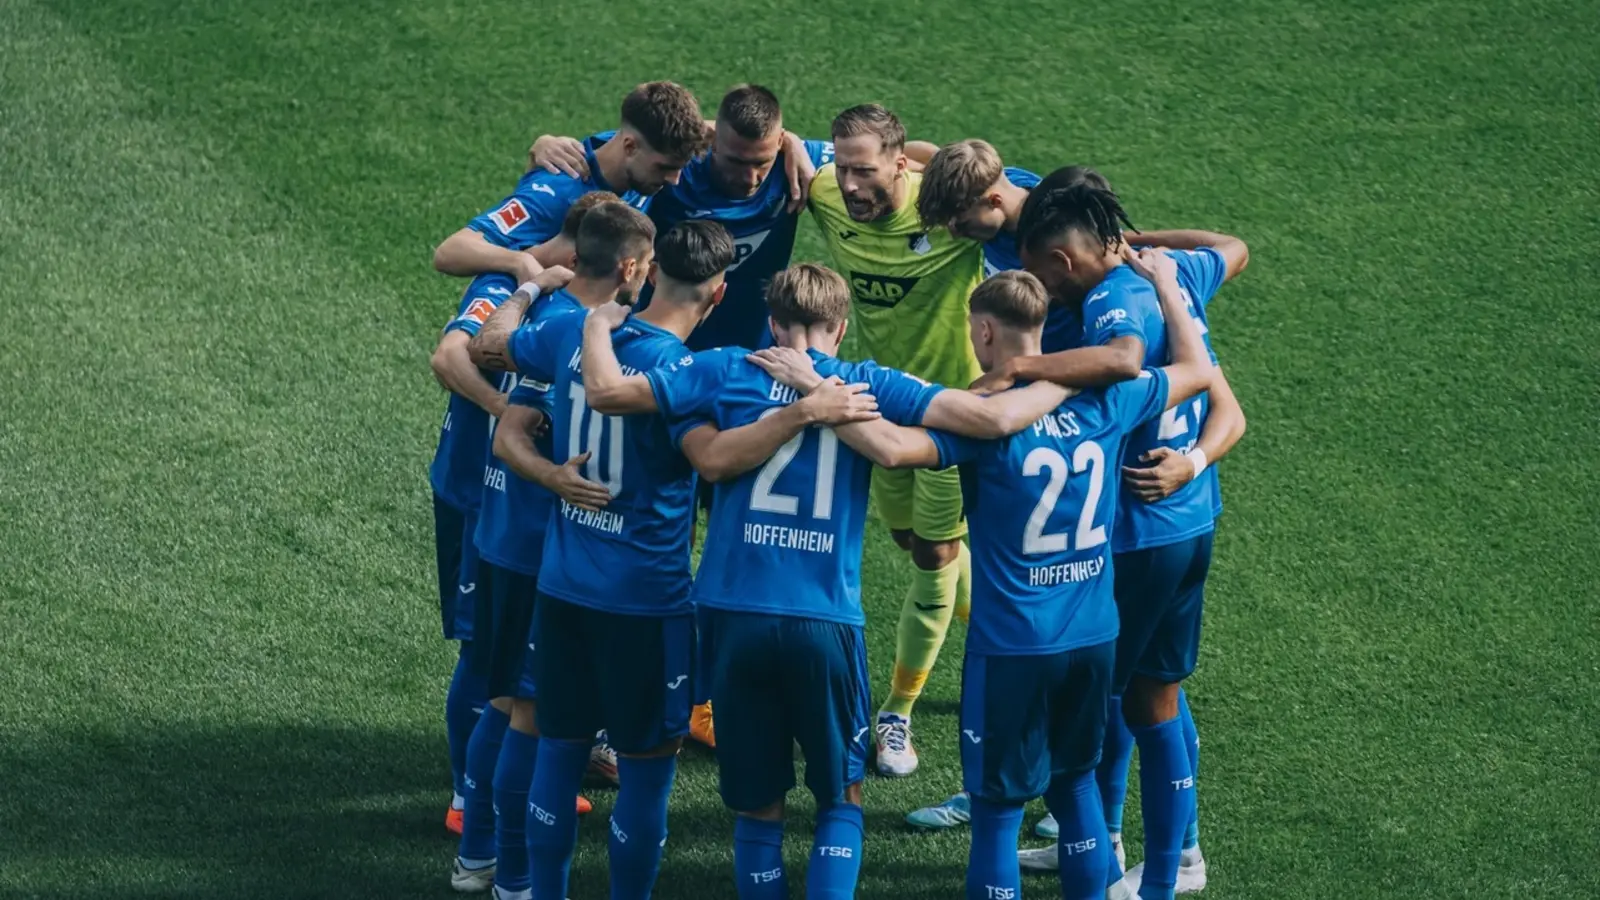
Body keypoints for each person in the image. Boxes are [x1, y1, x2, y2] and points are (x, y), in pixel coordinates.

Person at [577, 262, 1069, 898]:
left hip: (730, 613)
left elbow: (612, 393)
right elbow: (984, 416)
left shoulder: (727, 368)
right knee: (840, 797)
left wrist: (593, 324)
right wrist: (1073, 375)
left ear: (773, 322)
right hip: (824, 619)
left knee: (757, 807)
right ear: (842, 325)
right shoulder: (866, 383)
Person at [759, 259, 1216, 900]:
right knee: (1079, 786)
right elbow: (1198, 371)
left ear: (983, 333)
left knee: (999, 813)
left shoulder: (979, 421)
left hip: (1012, 646)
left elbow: (890, 448)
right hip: (1093, 634)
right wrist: (1169, 288)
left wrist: (814, 392)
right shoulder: (1109, 398)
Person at [527, 84, 835, 748]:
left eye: (763, 159)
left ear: (781, 142)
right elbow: (610, 152)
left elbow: (904, 156)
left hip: (742, 378)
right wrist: (550, 145)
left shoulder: (797, 159)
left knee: (729, 524)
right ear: (709, 138)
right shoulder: (679, 165)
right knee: (646, 510)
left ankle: (702, 693)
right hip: (664, 367)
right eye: (734, 156)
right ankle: (643, 701)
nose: (750, 174)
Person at [1003, 180, 1247, 900]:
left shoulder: (1115, 300)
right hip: (1192, 515)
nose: (1034, 290)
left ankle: (1131, 861)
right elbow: (1231, 249)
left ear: (1061, 259)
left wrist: (1019, 368)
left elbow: (1119, 359)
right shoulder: (1169, 276)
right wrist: (1147, 245)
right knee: (1153, 694)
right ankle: (1143, 854)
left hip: (1139, 531)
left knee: (1117, 700)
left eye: (1036, 272)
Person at [443, 201, 655, 895]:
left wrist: (532, 283)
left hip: (501, 535)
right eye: (645, 264)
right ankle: (513, 875)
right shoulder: (591, 335)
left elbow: (486, 360)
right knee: (527, 715)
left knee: (502, 703)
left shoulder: (539, 322)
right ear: (628, 266)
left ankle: (475, 855)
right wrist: (558, 479)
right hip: (541, 549)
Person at [807, 104, 988, 776]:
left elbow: (1018, 194)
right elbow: (761, 142)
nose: (851, 185)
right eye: (843, 168)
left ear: (902, 160)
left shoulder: (948, 211)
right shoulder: (824, 190)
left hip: (952, 413)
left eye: (866, 170)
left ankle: (896, 714)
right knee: (913, 541)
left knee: (935, 556)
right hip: (879, 409)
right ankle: (994, 638)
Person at [427, 191, 615, 835]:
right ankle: (464, 796)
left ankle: (532, 769)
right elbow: (452, 355)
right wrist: (510, 415)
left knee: (525, 654)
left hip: (530, 496)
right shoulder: (506, 280)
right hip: (477, 491)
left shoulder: (586, 309)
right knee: (483, 650)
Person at [432, 80, 710, 282]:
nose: (674, 180)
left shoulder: (628, 146)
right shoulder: (557, 189)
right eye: (665, 168)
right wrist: (520, 262)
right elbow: (449, 251)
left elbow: (718, 130)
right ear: (629, 147)